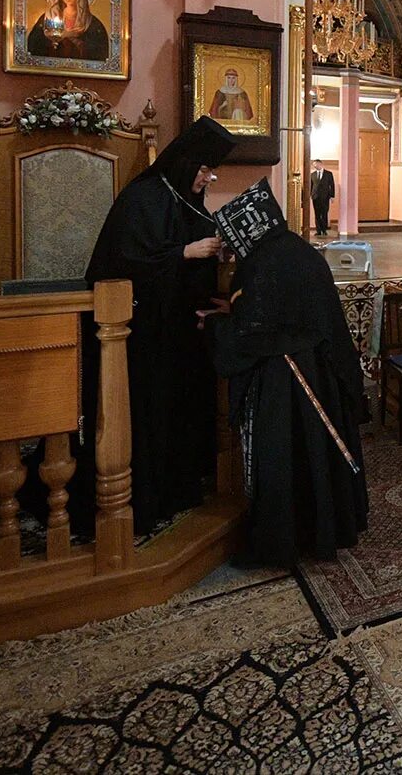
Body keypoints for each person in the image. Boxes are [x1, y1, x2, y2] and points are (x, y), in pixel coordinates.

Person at [78, 117, 234, 532]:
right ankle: (144, 495)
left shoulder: (185, 199)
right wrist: (185, 251)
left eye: (210, 171)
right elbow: (126, 260)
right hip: (138, 333)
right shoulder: (143, 198)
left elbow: (195, 257)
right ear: (186, 165)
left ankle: (179, 486)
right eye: (204, 170)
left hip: (177, 329)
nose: (208, 178)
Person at [204, 178, 368, 566]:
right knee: (320, 459)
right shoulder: (297, 248)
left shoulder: (262, 262)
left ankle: (285, 541)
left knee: (287, 459)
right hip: (321, 371)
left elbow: (251, 332)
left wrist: (212, 326)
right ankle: (328, 528)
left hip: (285, 381)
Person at [26, 0, 110, 61]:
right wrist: (64, 35)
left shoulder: (93, 23)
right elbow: (34, 46)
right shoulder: (48, 17)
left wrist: (79, 43)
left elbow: (100, 53)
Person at [309, 158, 336, 237]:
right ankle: (318, 230)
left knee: (324, 213)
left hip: (325, 197)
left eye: (315, 164)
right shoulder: (312, 174)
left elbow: (332, 185)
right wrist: (311, 194)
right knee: (317, 214)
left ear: (320, 164)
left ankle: (324, 230)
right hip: (315, 197)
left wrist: (332, 196)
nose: (314, 166)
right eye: (313, 165)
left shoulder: (328, 174)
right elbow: (311, 185)